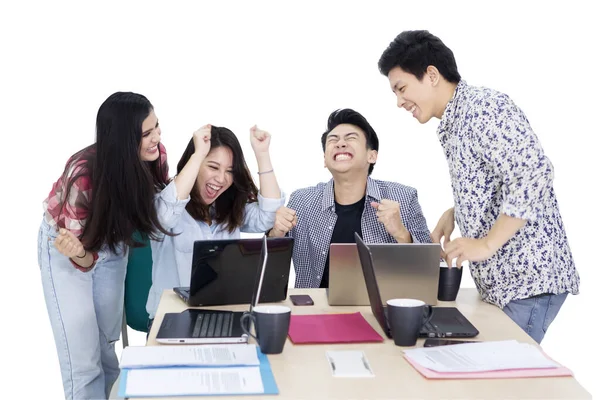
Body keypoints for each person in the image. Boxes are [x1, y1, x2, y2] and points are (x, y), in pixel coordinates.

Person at [377, 30, 580, 343]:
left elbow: (533, 174)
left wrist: (486, 243)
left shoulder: (484, 108)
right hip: (504, 287)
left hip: (527, 283)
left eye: (401, 88)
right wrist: (455, 210)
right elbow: (500, 177)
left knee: (503, 384)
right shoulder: (453, 123)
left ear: (431, 75)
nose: (400, 101)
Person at [38, 92, 170, 399]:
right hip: (69, 247)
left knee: (105, 346)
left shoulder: (155, 156)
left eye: (157, 128)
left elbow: (162, 204)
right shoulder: (84, 176)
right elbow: (83, 258)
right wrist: (79, 252)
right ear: (124, 139)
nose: (157, 139)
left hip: (113, 242)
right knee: (83, 362)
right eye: (147, 134)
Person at [269, 108, 431, 288]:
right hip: (316, 310)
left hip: (383, 310)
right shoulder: (302, 201)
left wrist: (401, 234)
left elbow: (430, 272)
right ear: (325, 159)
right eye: (333, 140)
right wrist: (276, 233)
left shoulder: (403, 197)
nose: (340, 144)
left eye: (351, 138)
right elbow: (269, 270)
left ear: (372, 155)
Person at [146, 124, 285, 320]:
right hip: (171, 317)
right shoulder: (162, 204)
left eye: (229, 171)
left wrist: (262, 154)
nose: (221, 179)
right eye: (213, 167)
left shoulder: (228, 209)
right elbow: (164, 216)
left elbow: (268, 216)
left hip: (222, 314)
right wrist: (198, 154)